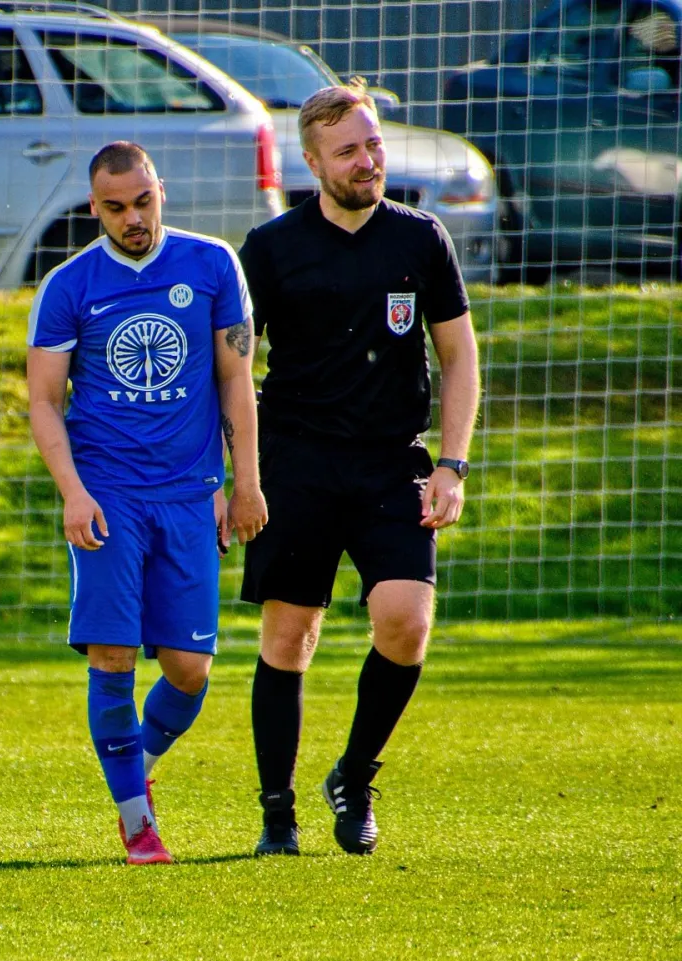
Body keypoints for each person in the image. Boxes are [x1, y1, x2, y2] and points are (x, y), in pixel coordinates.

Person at [237, 81, 480, 857]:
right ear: (313, 163)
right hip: (296, 462)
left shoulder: (421, 237)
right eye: (348, 151)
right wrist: (239, 475)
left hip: (390, 463)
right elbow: (232, 368)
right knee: (290, 634)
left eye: (373, 144)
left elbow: (459, 356)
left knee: (406, 622)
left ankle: (354, 775)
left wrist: (452, 465)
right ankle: (278, 814)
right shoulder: (270, 249)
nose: (367, 161)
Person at [27, 142, 267, 865]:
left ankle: (136, 764)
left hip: (189, 494)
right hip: (107, 495)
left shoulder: (212, 264)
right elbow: (44, 401)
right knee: (114, 654)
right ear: (93, 208)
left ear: (161, 189)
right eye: (115, 207)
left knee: (190, 669)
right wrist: (73, 494)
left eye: (142, 201)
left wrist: (244, 482)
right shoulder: (69, 285)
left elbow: (235, 380)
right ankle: (137, 824)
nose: (132, 218)